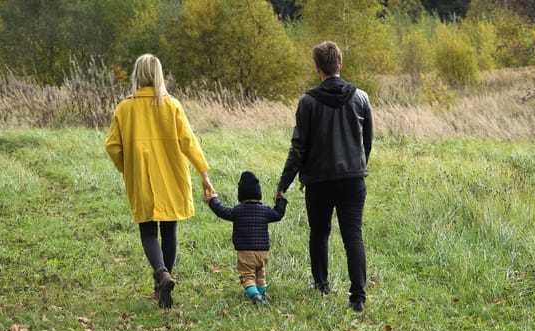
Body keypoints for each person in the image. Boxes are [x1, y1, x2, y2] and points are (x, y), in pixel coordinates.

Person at [105, 54, 215, 309]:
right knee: (169, 230)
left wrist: (127, 167)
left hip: (141, 176)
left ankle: (161, 274)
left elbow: (112, 146)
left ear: (137, 75)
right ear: (158, 75)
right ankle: (165, 280)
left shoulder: (125, 107)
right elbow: (188, 141)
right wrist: (204, 173)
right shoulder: (171, 105)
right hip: (171, 176)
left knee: (147, 231)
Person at [275, 41, 373, 313]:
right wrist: (357, 167)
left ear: (317, 69)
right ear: (339, 63)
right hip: (353, 179)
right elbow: (367, 143)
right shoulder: (361, 98)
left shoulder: (307, 102)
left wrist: (283, 184)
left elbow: (298, 148)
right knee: (353, 235)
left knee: (319, 233)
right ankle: (358, 297)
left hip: (318, 182)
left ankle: (321, 285)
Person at [208, 171, 287, 305]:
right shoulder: (265, 210)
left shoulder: (237, 211)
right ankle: (261, 295)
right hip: (263, 252)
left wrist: (213, 199)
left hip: (245, 252)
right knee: (260, 273)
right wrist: (280, 200)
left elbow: (222, 211)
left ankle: (254, 295)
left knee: (247, 276)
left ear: (240, 195)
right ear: (259, 194)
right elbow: (278, 214)